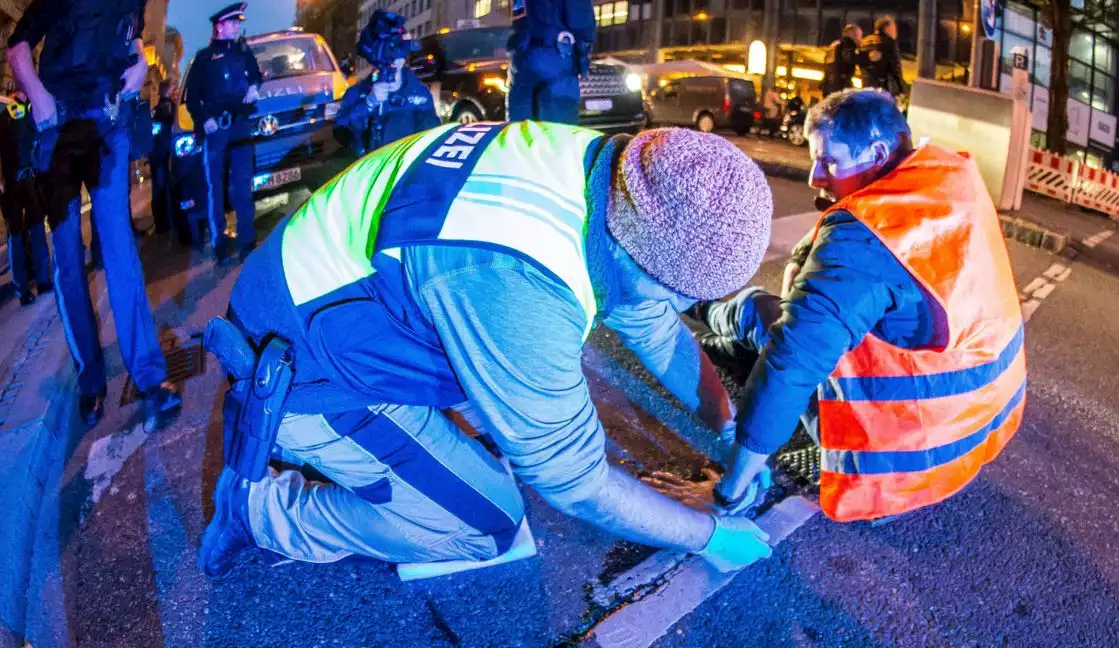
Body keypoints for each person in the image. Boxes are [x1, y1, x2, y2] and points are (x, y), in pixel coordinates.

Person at [197, 123, 776, 579]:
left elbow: (651, 323)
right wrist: (708, 536)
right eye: (680, 293)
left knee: (513, 420)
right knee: (486, 525)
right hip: (308, 375)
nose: (675, 306)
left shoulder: (606, 173)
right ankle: (261, 512)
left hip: (351, 307)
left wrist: (729, 431)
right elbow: (575, 483)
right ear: (642, 258)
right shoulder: (521, 278)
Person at [692, 90, 1025, 522]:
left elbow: (791, 365)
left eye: (829, 162)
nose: (815, 177)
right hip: (972, 432)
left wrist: (726, 495)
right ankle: (723, 336)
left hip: (894, 466)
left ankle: (698, 305)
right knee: (804, 318)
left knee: (765, 317)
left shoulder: (864, 237)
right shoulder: (946, 180)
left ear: (878, 152)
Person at [6, 0, 181, 430]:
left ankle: (150, 379)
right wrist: (41, 99)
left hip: (109, 124)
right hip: (57, 131)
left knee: (120, 250)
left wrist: (140, 63)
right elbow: (17, 48)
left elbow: (133, 34)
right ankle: (90, 381)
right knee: (68, 261)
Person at [184, 2, 262, 265]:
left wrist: (254, 87)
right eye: (233, 22)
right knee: (214, 188)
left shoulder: (244, 52)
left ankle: (246, 241)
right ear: (219, 26)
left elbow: (256, 77)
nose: (238, 26)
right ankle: (219, 245)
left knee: (242, 184)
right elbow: (192, 98)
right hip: (216, 130)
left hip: (240, 126)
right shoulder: (203, 58)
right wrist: (203, 119)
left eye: (239, 22)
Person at [334, 10, 440, 158]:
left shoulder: (419, 93)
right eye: (390, 49)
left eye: (400, 49)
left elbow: (432, 139)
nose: (396, 59)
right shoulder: (357, 93)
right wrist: (368, 104)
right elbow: (342, 134)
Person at [505, 0, 594, 123]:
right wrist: (583, 51)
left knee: (520, 124)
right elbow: (580, 20)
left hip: (521, 56)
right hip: (556, 56)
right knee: (558, 126)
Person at [0, 93, 51, 305]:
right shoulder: (29, 110)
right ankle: (43, 281)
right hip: (27, 178)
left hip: (10, 182)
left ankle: (22, 290)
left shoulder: (4, 113)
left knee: (16, 235)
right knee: (35, 230)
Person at [150, 79, 176, 236]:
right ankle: (167, 222)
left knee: (159, 189)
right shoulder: (169, 108)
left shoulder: (156, 110)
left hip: (158, 155)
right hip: (166, 154)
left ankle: (162, 224)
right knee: (167, 188)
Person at [860, 16, 905, 98]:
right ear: (886, 28)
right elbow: (896, 68)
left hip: (866, 86)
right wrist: (901, 89)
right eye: (893, 28)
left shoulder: (864, 41)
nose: (896, 31)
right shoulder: (889, 42)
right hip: (884, 88)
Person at [821, 24, 871, 98]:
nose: (860, 40)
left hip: (829, 84)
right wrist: (867, 57)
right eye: (859, 36)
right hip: (841, 84)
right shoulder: (847, 43)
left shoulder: (834, 45)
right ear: (851, 34)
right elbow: (850, 58)